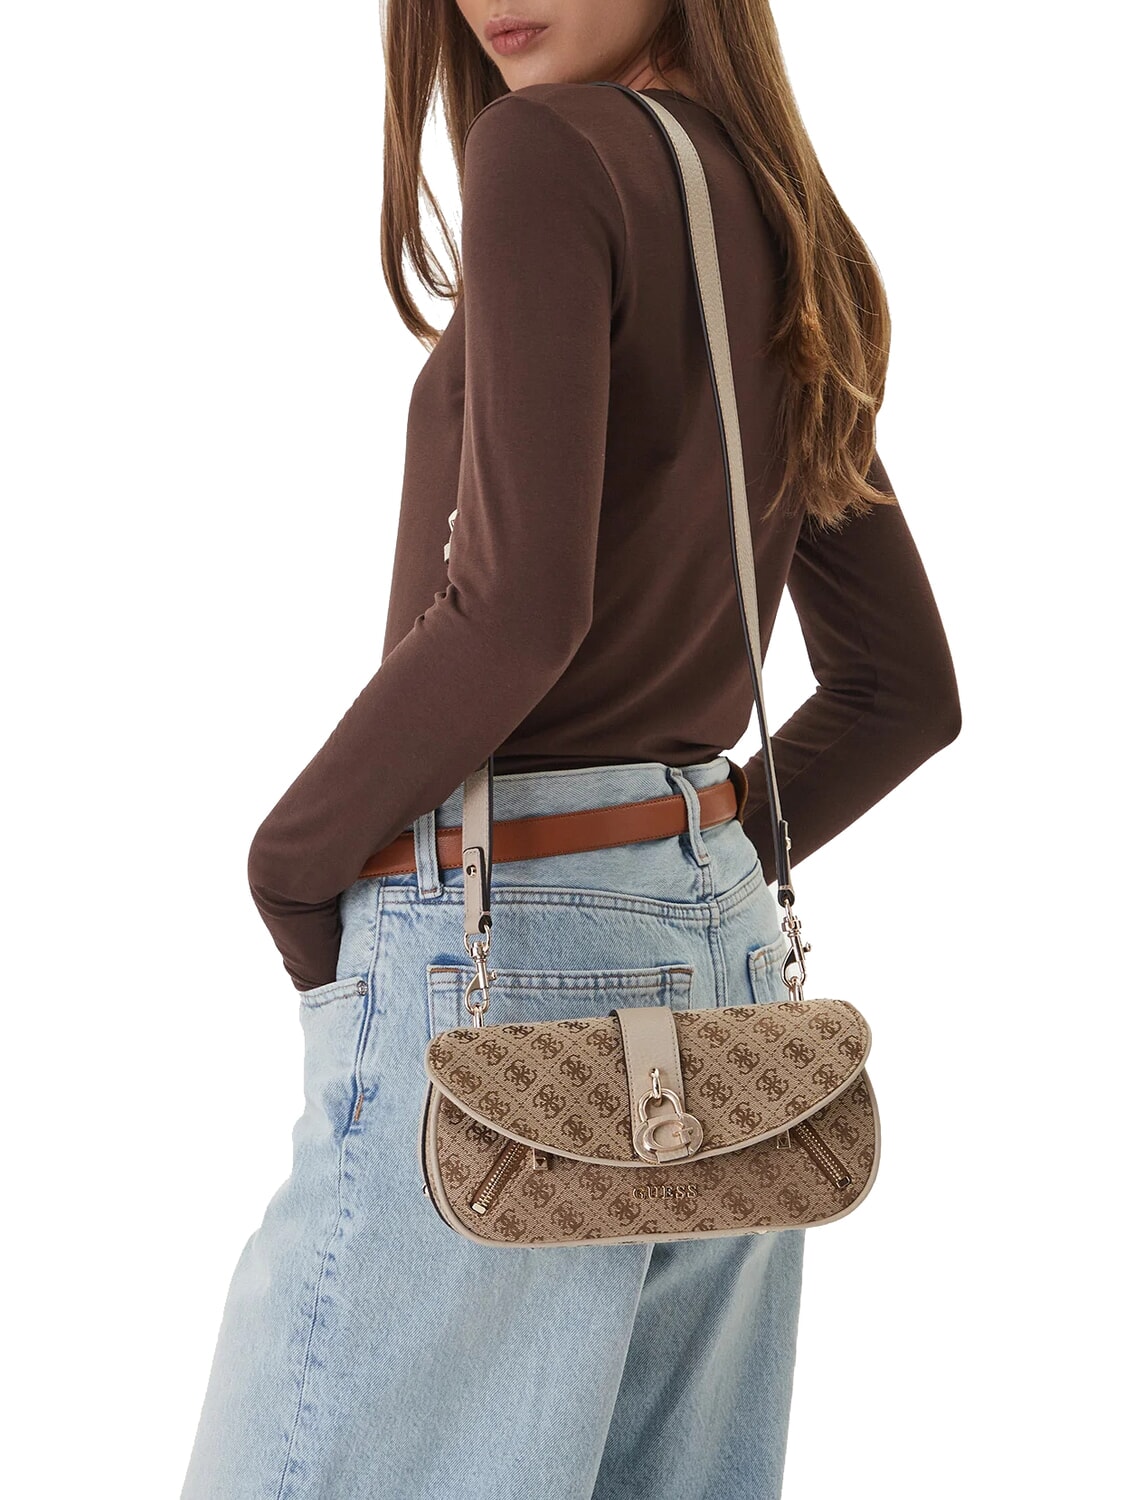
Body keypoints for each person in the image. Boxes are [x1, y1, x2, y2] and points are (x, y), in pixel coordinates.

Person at [180, 2, 961, 1496]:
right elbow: (900, 690)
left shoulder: (544, 151)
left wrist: (293, 862)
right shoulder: (775, 207)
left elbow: (519, 615)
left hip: (498, 945)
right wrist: (687, 859)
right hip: (728, 989)